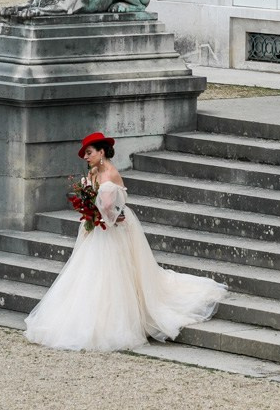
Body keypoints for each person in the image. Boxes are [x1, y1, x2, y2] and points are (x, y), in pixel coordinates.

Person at [24, 131, 227, 351]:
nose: (85, 156)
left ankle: (114, 322)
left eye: (89, 152)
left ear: (102, 152)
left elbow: (110, 214)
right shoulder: (93, 172)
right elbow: (96, 204)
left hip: (113, 229)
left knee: (114, 272)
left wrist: (95, 213)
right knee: (88, 271)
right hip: (97, 228)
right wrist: (89, 211)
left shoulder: (110, 176)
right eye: (85, 153)